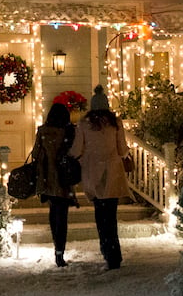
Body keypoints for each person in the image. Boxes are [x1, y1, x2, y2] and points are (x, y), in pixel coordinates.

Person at [70, 86, 128, 270]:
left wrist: (71, 157)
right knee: (111, 215)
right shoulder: (115, 122)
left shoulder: (84, 123)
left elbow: (77, 149)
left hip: (92, 172)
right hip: (112, 172)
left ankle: (106, 248)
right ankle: (114, 254)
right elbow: (122, 149)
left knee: (100, 214)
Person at [34, 102, 78, 267]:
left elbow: (36, 153)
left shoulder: (43, 131)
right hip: (63, 179)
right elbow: (75, 153)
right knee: (63, 216)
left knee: (54, 213)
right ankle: (60, 250)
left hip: (48, 178)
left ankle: (56, 248)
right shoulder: (68, 132)